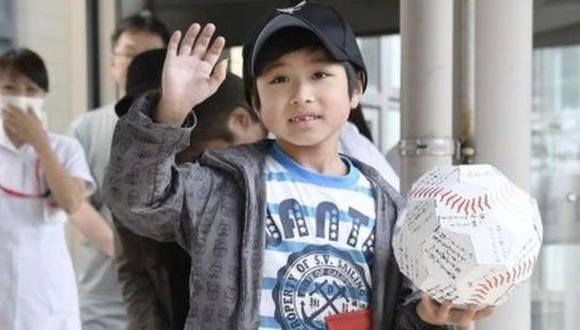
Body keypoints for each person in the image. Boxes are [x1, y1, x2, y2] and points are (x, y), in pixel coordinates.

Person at [104, 2, 494, 328]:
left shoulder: (391, 208)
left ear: (356, 88)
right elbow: (136, 200)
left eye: (320, 74)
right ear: (255, 102)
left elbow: (398, 318)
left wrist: (429, 316)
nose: (301, 94)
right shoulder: (222, 183)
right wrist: (170, 109)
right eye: (278, 80)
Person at [112, 49, 267, 330]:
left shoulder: (286, 174)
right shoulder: (137, 182)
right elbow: (135, 275)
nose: (185, 170)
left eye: (195, 154)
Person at [69, 11, 169, 330]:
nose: (137, 63)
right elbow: (77, 205)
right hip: (101, 297)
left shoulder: (181, 126)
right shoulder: (84, 128)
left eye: (149, 56)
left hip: (165, 293)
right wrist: (126, 253)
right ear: (113, 63)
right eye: (128, 55)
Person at [0, 48, 95, 329]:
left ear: (43, 96)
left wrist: (40, 143)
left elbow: (71, 203)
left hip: (46, 295)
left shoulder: (65, 148)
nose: (22, 96)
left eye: (32, 89)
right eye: (9, 87)